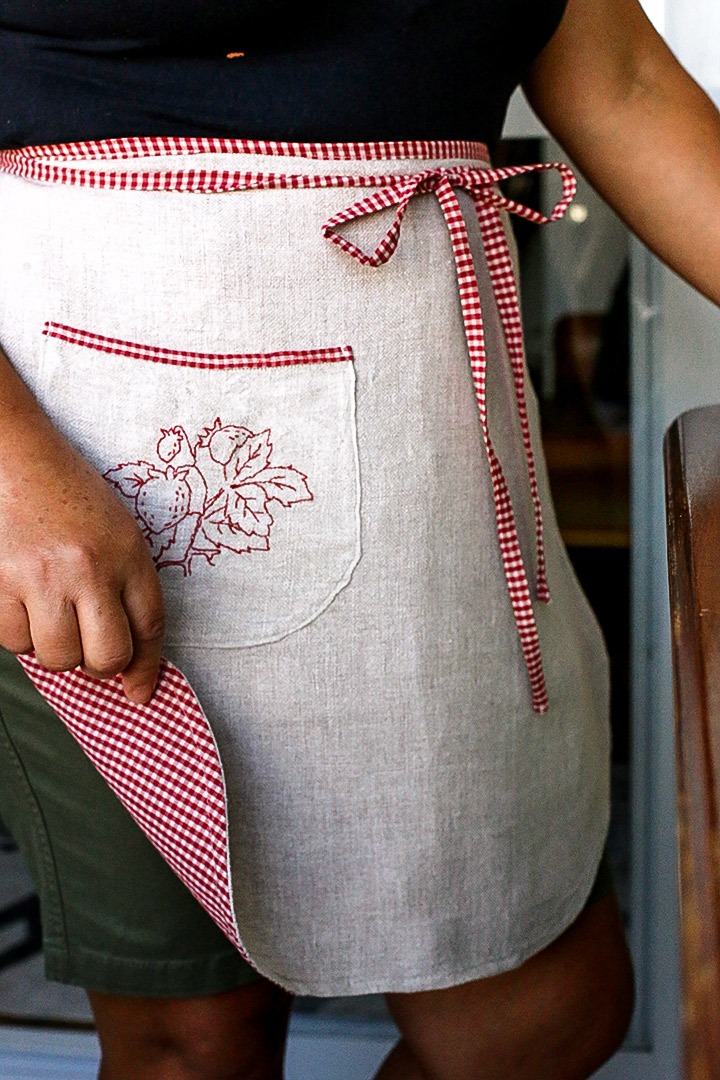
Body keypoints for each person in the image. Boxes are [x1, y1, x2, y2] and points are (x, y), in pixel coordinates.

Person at [0, 0, 716, 1076]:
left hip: (432, 502)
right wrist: (12, 476)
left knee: (538, 1023)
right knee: (190, 1045)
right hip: (79, 485)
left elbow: (620, 82)